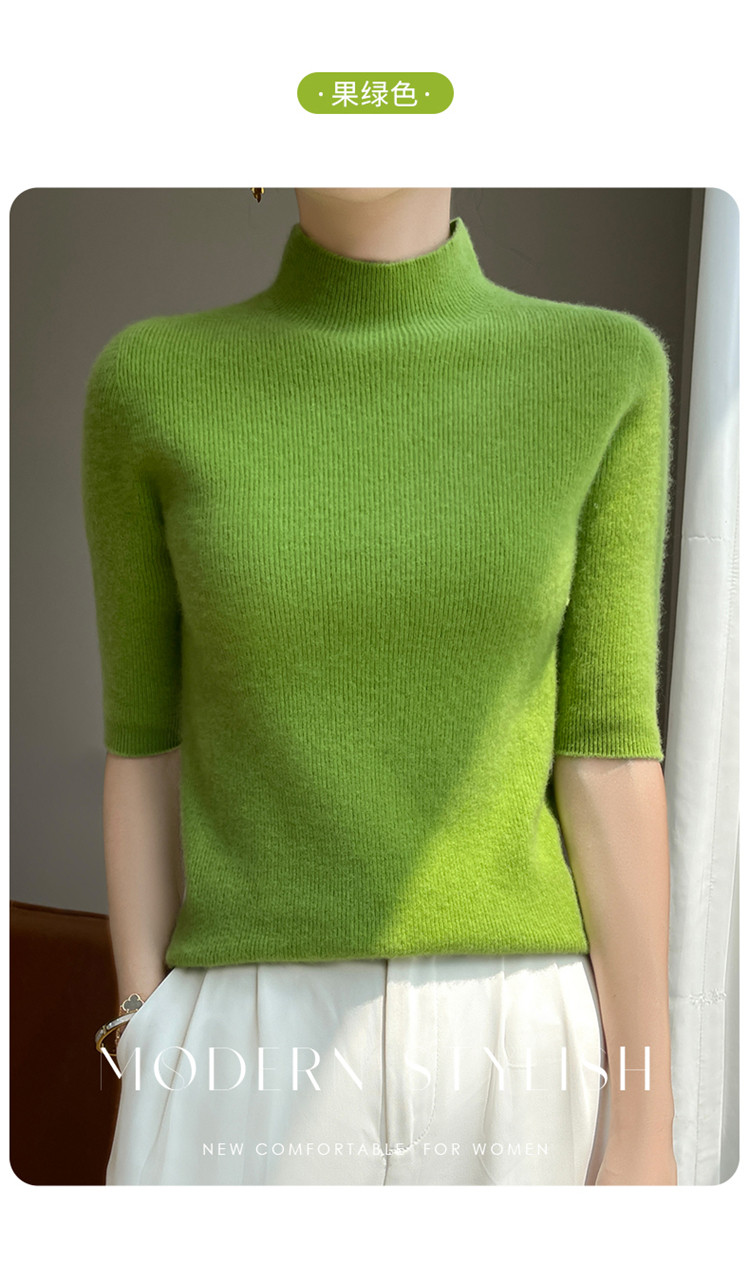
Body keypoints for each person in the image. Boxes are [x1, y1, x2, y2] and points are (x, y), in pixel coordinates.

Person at [82, 187, 677, 1185]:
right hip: (243, 1038)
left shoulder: (605, 369)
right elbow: (142, 746)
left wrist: (649, 1129)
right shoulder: (150, 382)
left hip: (522, 1043)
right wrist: (145, 1038)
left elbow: (609, 752)